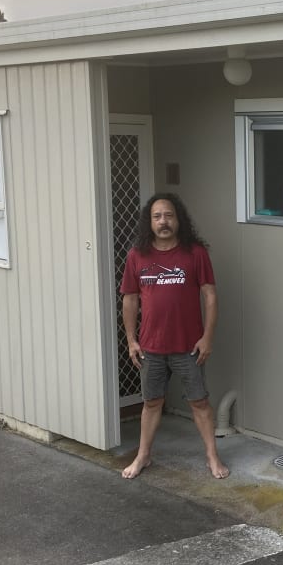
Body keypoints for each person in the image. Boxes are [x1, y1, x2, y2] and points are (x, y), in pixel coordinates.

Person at [119, 193, 230, 480]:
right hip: (150, 347)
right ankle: (143, 456)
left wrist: (207, 337)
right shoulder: (137, 255)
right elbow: (130, 300)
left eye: (168, 215)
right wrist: (131, 340)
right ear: (149, 222)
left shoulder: (195, 253)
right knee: (152, 403)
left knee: (199, 403)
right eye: (157, 217)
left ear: (178, 219)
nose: (163, 221)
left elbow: (210, 295)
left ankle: (211, 456)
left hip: (188, 346)